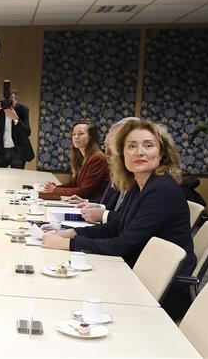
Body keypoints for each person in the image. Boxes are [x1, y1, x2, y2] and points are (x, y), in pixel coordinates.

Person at [42, 119, 195, 320]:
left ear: (162, 153)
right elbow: (116, 226)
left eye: (148, 145)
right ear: (122, 155)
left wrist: (68, 243)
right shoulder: (139, 183)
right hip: (135, 274)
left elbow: (123, 244)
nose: (140, 152)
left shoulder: (161, 190)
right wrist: (72, 232)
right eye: (131, 146)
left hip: (158, 293)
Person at [71, 117, 139, 224]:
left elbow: (126, 223)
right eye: (105, 146)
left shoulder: (142, 179)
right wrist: (96, 206)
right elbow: (115, 208)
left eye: (113, 146)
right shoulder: (124, 172)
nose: (106, 152)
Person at [39, 120, 109, 202]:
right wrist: (55, 188)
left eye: (81, 134)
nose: (76, 137)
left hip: (93, 205)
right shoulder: (82, 157)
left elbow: (84, 192)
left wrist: (55, 190)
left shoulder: (97, 158)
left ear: (91, 137)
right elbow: (74, 184)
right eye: (74, 134)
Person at [0, 88, 34, 169]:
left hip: (18, 150)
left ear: (16, 100)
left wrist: (16, 119)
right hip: (2, 150)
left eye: (11, 101)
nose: (8, 103)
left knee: (16, 177)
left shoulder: (22, 110)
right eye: (6, 101)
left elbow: (27, 132)